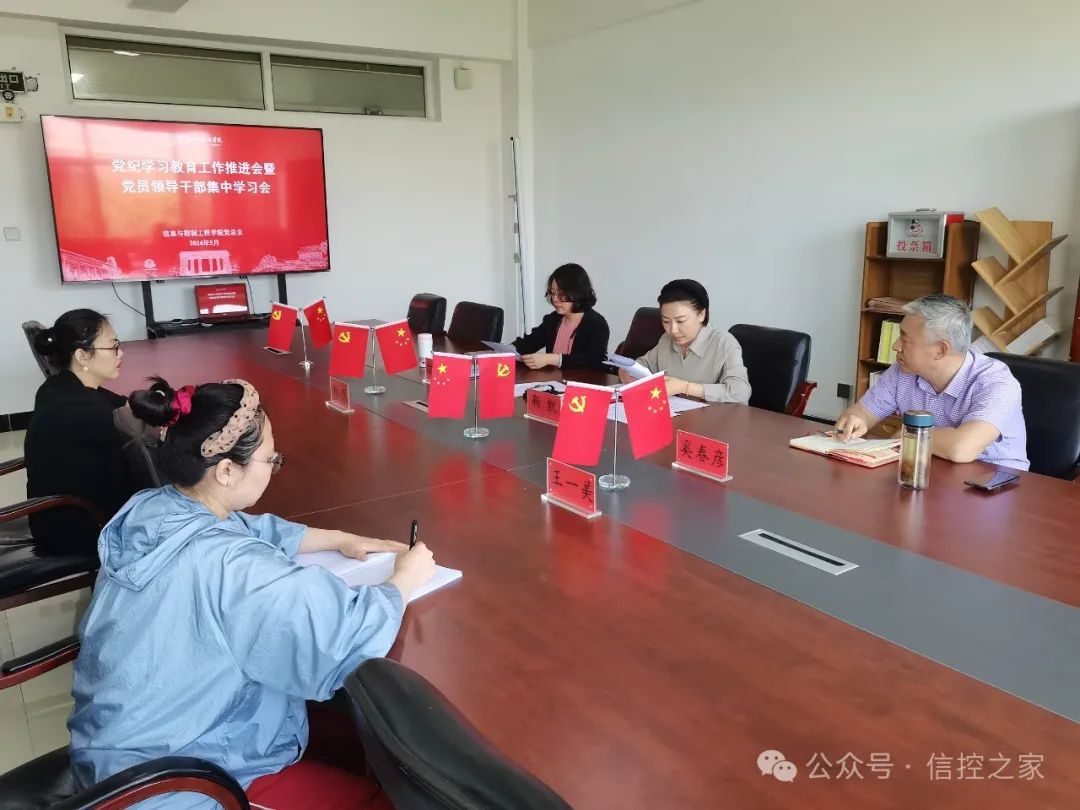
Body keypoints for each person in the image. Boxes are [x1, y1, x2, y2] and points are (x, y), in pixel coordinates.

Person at [68, 377, 436, 809]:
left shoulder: (156, 509)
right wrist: (403, 581)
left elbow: (249, 528)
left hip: (119, 755)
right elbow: (342, 639)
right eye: (271, 458)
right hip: (182, 787)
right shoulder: (234, 565)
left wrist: (339, 538)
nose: (275, 466)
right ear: (226, 470)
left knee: (349, 738)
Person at [835, 294, 1029, 470]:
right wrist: (855, 419)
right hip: (930, 471)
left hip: (993, 483)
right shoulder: (903, 371)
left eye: (905, 339)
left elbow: (961, 448)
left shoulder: (997, 383)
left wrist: (908, 434)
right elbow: (863, 412)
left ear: (941, 350)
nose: (896, 346)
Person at [24, 309, 133, 555]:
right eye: (113, 346)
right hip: (80, 528)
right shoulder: (83, 410)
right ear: (82, 356)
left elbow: (125, 405)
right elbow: (138, 433)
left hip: (54, 517)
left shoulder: (60, 386)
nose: (120, 353)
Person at [622, 279, 751, 403]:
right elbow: (643, 364)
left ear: (701, 315)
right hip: (674, 414)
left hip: (714, 417)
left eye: (680, 321)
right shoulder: (666, 340)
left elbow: (740, 392)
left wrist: (684, 387)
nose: (673, 330)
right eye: (666, 321)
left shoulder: (724, 343)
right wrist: (628, 372)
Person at [512, 263, 610, 371]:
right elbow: (531, 342)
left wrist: (553, 359)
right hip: (553, 379)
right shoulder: (553, 319)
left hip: (580, 380)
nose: (555, 299)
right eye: (552, 293)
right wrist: (508, 349)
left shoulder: (596, 324)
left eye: (561, 294)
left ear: (577, 293)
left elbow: (595, 361)